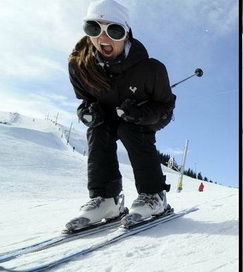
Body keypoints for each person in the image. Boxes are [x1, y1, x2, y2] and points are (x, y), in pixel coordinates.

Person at [66, 0, 176, 229]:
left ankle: (154, 196)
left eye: (114, 30)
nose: (103, 38)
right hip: (109, 114)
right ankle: (107, 200)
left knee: (130, 129)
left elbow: (165, 107)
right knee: (99, 130)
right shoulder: (80, 66)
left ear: (126, 34)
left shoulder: (151, 69)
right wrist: (87, 112)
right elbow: (85, 100)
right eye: (94, 28)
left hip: (146, 114)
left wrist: (139, 114)